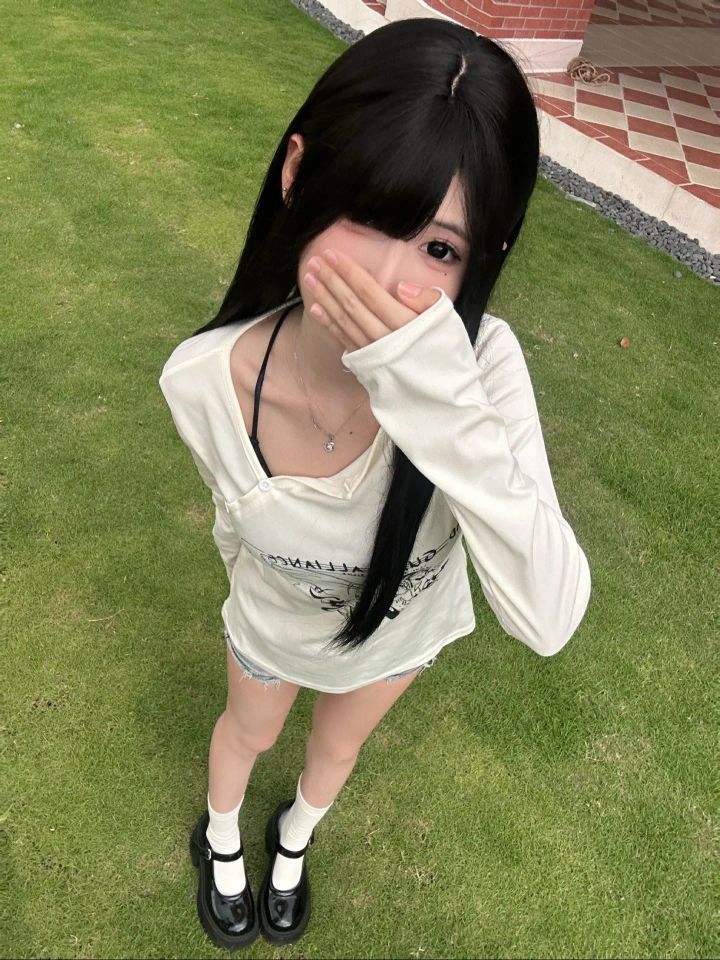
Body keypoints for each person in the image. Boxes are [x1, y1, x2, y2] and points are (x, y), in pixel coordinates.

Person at [158, 17, 592, 951]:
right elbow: (230, 522)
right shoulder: (201, 381)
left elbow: (549, 615)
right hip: (272, 631)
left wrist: (430, 395)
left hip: (400, 638)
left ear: (485, 258)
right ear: (297, 174)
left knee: (338, 747)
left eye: (440, 250)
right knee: (248, 735)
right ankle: (222, 839)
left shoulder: (483, 371)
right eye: (367, 214)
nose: (388, 283)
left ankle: (294, 842)